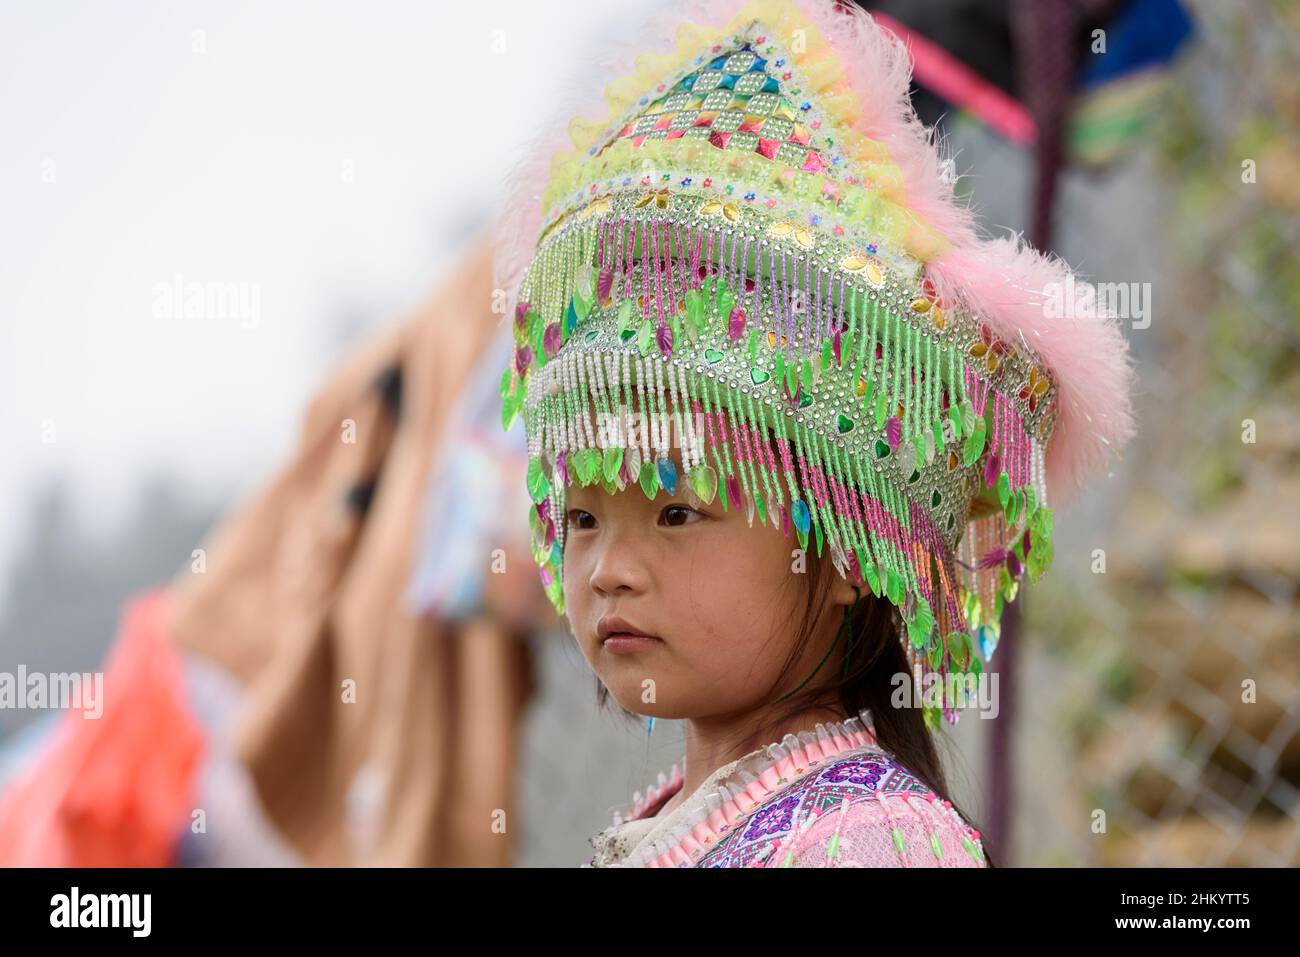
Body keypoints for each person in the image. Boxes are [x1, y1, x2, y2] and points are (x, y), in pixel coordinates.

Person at [495, 0, 1136, 867]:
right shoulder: (688, 820)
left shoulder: (873, 844)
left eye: (676, 512)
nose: (607, 568)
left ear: (842, 548)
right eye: (580, 518)